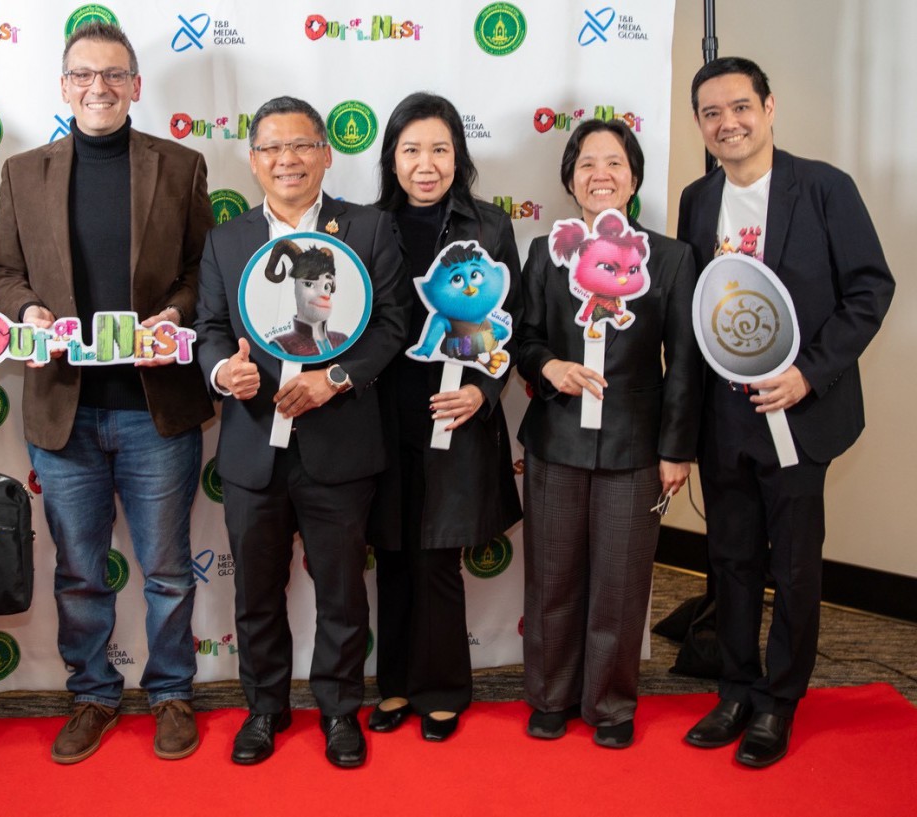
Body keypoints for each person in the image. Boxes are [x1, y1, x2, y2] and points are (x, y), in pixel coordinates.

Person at [0, 22, 214, 763]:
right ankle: (92, 695)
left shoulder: (181, 165)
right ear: (63, 86)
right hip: (65, 410)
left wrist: (175, 313)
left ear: (136, 85)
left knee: (168, 570)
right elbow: (3, 271)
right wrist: (28, 311)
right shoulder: (24, 172)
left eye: (114, 74)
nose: (99, 88)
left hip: (155, 410)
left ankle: (171, 692)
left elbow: (202, 267)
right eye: (83, 75)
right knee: (80, 571)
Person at [678, 57, 893, 767]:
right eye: (711, 113)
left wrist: (808, 375)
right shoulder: (697, 199)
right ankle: (736, 689)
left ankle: (779, 700)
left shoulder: (825, 188)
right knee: (730, 558)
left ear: (769, 109)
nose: (728, 123)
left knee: (795, 565)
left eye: (740, 106)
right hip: (724, 420)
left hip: (799, 412)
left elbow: (870, 289)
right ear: (700, 124)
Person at [195, 96, 407, 768]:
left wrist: (334, 378)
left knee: (341, 589)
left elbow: (393, 324)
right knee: (256, 591)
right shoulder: (226, 240)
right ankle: (264, 707)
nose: (287, 159)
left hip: (338, 443)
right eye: (272, 148)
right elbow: (208, 329)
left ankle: (341, 709)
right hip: (252, 446)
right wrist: (222, 371)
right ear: (253, 159)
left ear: (326, 153)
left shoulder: (368, 229)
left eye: (301, 145)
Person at [516, 118, 701, 749]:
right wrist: (548, 367)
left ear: (634, 177)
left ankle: (611, 704)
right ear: (570, 179)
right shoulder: (545, 253)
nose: (601, 174)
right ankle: (550, 696)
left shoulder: (671, 258)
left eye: (615, 162)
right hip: (556, 440)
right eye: (587, 164)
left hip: (635, 447)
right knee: (552, 579)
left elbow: (685, 363)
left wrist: (676, 450)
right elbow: (524, 339)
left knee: (620, 586)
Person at [366, 92, 523, 742]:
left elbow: (510, 328)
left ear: (458, 157)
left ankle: (442, 689)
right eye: (411, 150)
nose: (425, 164)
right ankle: (396, 683)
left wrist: (482, 392)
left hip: (454, 413)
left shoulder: (489, 227)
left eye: (439, 149)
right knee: (392, 551)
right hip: (381, 413)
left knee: (435, 556)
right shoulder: (367, 226)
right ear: (391, 158)